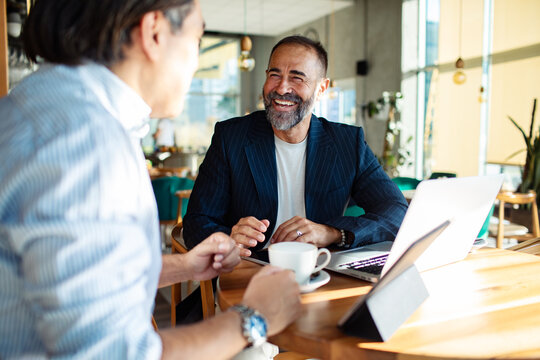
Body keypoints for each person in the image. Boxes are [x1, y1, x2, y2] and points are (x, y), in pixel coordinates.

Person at [0, 1, 301, 359]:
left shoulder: (43, 102)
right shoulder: (87, 141)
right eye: (197, 39)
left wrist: (184, 266)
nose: (195, 62)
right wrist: (255, 318)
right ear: (155, 32)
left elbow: (78, 275)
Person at [184, 35, 408, 256]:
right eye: (275, 74)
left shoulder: (348, 143)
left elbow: (396, 212)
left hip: (320, 271)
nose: (281, 88)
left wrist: (332, 233)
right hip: (249, 270)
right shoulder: (230, 137)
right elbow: (197, 221)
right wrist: (228, 238)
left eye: (297, 78)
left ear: (321, 88)